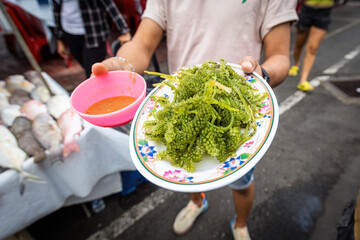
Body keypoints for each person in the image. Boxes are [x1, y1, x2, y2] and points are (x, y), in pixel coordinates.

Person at [91, 1, 298, 239]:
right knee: (187, 172)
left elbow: (280, 55)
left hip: (240, 111)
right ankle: (197, 203)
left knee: (241, 183)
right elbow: (143, 42)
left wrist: (260, 77)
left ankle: (241, 224)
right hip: (181, 103)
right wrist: (123, 66)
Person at [52, 0, 131, 78]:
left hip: (94, 35)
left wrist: (124, 30)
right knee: (88, 67)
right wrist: (59, 39)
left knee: (93, 72)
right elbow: (56, 11)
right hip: (69, 33)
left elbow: (110, 5)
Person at [288, 0, 335, 92]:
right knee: (299, 43)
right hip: (307, 10)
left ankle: (303, 81)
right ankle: (295, 65)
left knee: (312, 48)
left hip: (325, 12)